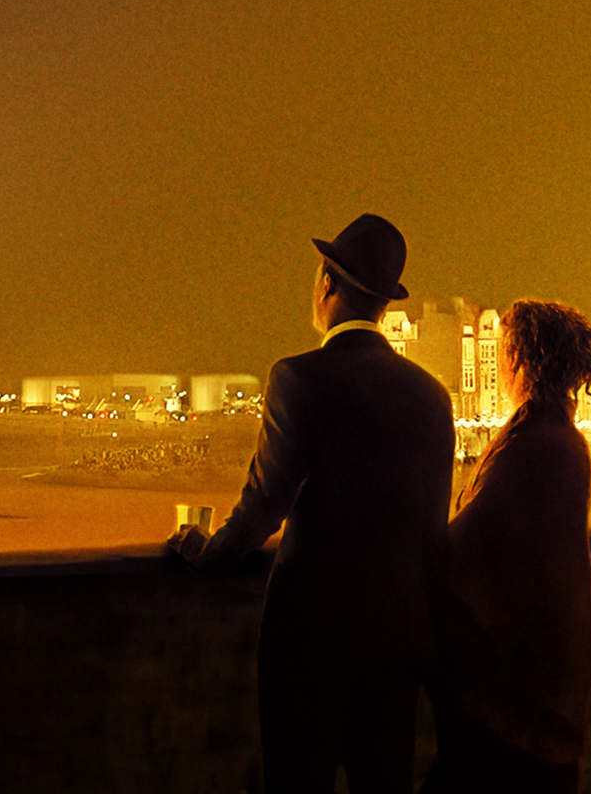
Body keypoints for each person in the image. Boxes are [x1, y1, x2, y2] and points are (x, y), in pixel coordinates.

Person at [172, 213, 457, 794]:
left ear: (326, 284)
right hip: (397, 644)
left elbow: (263, 503)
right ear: (382, 303)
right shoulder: (430, 396)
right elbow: (433, 534)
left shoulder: (298, 378)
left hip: (311, 645)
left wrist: (206, 554)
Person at [423, 299, 591, 792]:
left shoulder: (537, 445)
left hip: (522, 698)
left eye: (502, 349)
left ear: (521, 359)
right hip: (550, 686)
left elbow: (468, 550)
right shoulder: (559, 439)